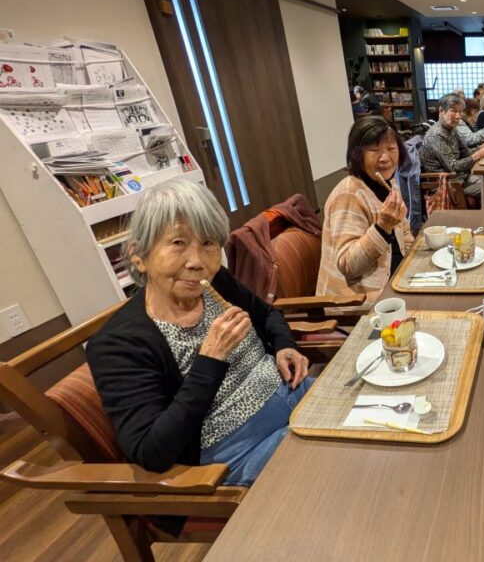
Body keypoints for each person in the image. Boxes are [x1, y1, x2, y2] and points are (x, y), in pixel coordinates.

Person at [87, 179, 312, 487]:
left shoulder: (216, 282)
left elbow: (268, 314)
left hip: (293, 391)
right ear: (139, 255)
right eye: (178, 243)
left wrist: (285, 346)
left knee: (370, 415)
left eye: (208, 243)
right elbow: (151, 451)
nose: (197, 262)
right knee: (331, 458)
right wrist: (211, 358)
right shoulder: (118, 343)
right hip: (236, 450)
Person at [317, 117, 415, 303]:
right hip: (356, 301)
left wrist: (415, 263)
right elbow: (348, 264)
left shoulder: (388, 183)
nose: (385, 158)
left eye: (391, 149)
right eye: (374, 150)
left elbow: (404, 232)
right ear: (357, 154)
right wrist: (382, 226)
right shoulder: (349, 194)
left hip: (394, 282)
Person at [420, 92, 484, 197]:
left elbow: (465, 152)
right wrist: (478, 154)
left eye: (460, 112)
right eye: (454, 111)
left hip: (461, 176)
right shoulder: (436, 135)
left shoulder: (451, 129)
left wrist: (481, 148)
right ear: (441, 111)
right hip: (448, 183)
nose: (458, 116)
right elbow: (453, 166)